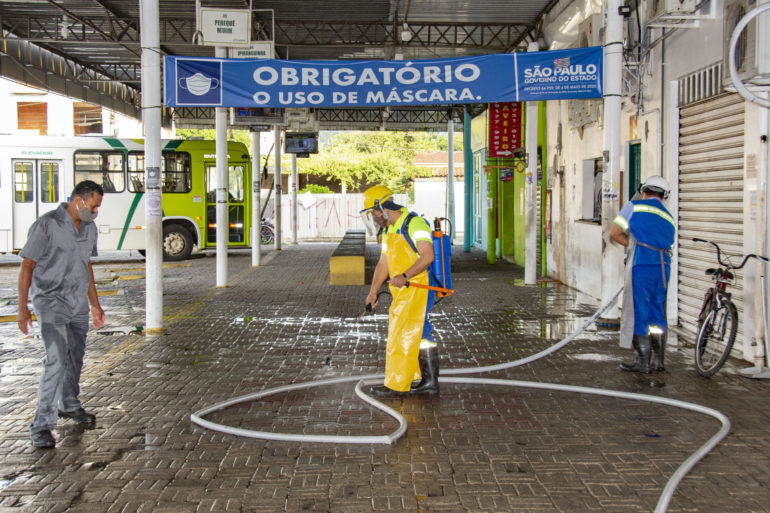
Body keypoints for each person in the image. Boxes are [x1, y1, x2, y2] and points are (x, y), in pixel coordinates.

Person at [18, 180, 106, 448]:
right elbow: (27, 265)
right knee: (56, 359)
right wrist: (23, 308)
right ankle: (41, 426)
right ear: (78, 201)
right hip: (51, 302)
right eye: (93, 206)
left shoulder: (90, 228)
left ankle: (69, 404)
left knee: (75, 357)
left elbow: (86, 265)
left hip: (77, 302)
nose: (95, 212)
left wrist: (95, 303)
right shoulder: (47, 225)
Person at [362, 185, 438, 396]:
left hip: (419, 287)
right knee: (410, 332)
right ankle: (422, 380)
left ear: (384, 208)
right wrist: (373, 291)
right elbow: (383, 263)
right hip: (403, 290)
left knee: (414, 332)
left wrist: (405, 276)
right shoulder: (390, 230)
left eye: (375, 213)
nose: (375, 218)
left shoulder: (414, 224)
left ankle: (405, 384)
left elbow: (427, 256)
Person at [609, 176, 676, 374]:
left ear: (643, 191)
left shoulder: (633, 206)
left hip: (641, 266)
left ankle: (643, 361)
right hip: (663, 268)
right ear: (664, 197)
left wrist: (631, 245)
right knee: (658, 311)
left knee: (639, 311)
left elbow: (614, 232)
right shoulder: (668, 216)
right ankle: (659, 360)